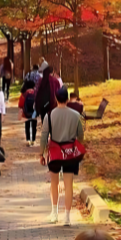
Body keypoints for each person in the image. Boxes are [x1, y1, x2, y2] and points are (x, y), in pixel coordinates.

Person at [40, 87, 84, 226]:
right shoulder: (75, 115)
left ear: (56, 97)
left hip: (54, 151)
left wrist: (42, 153)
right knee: (68, 184)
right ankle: (67, 216)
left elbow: (44, 135)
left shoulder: (50, 114)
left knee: (54, 182)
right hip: (70, 151)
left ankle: (54, 212)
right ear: (67, 98)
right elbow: (80, 135)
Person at [18, 80, 38, 147]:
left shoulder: (24, 94)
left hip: (26, 113)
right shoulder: (35, 93)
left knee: (27, 126)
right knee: (34, 126)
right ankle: (33, 140)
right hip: (34, 112)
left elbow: (20, 104)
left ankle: (28, 139)